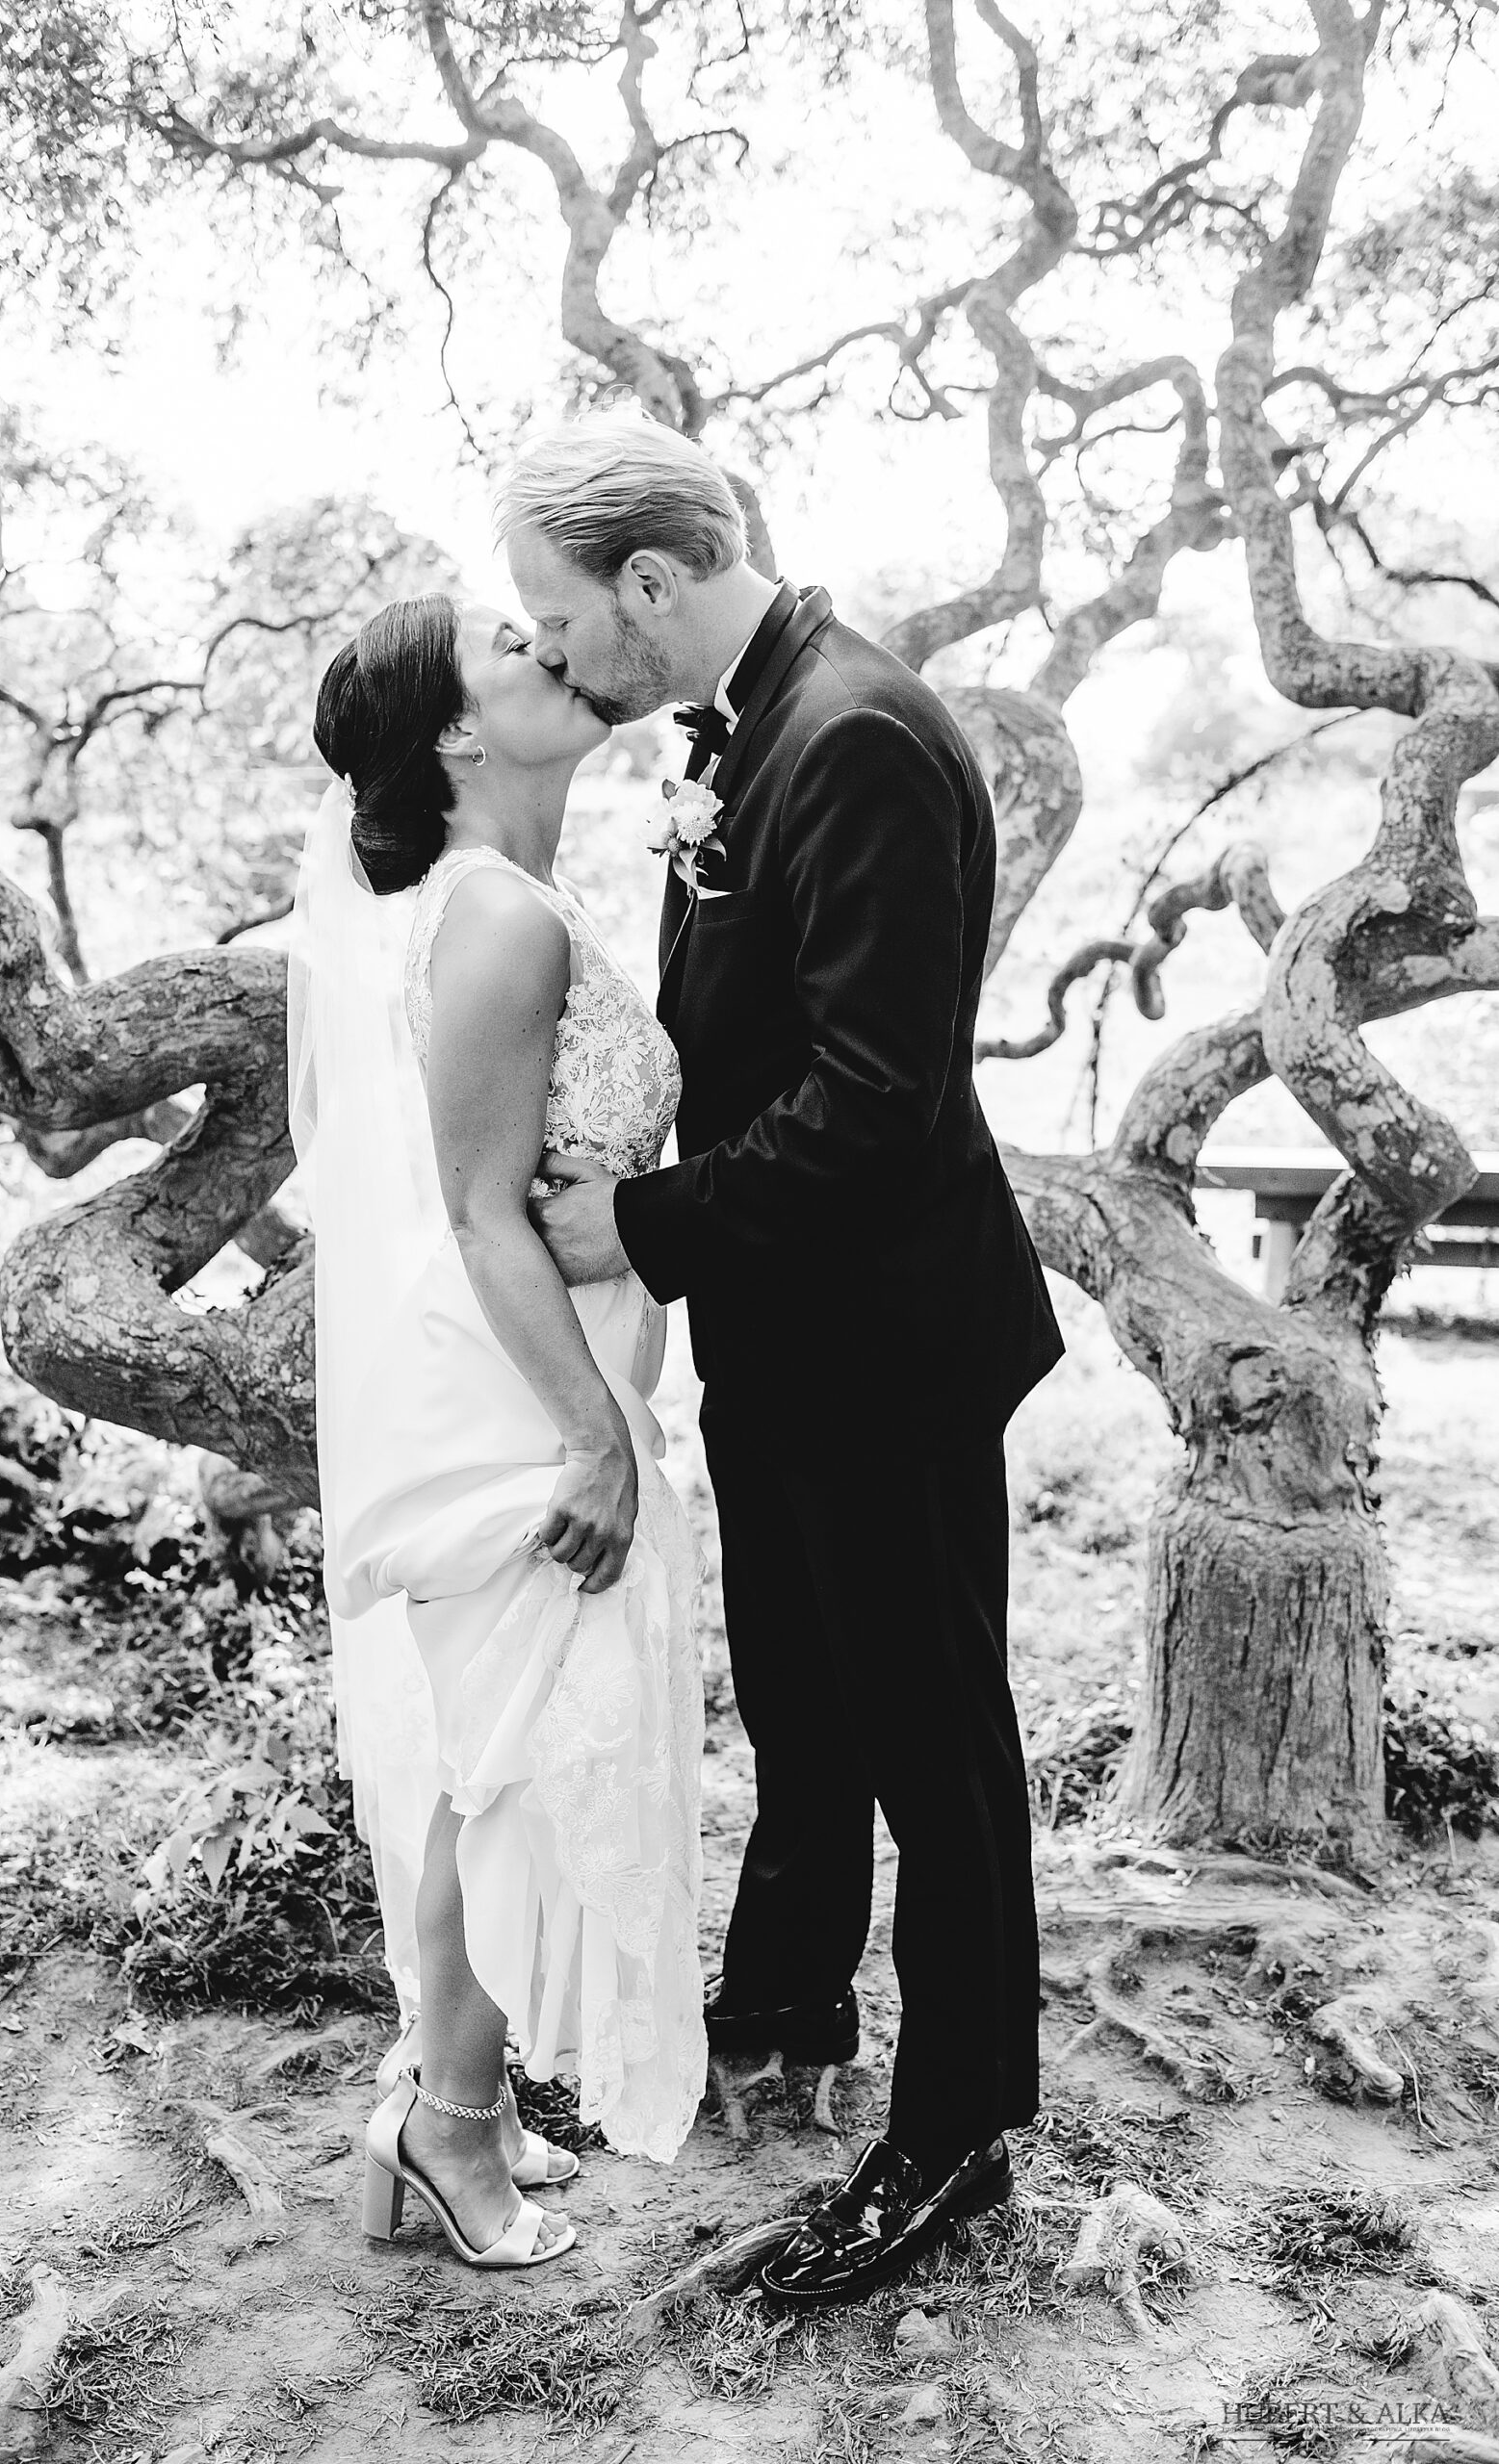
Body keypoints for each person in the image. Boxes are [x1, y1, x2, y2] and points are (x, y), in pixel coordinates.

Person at [501, 420, 1065, 2306]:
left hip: (887, 1342)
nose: (554, 650)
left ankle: (956, 2133)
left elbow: (872, 1099)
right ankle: (782, 2003)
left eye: (557, 613)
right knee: (808, 1706)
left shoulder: (858, 736)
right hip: (787, 1330)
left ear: (652, 580)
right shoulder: (748, 729)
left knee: (931, 1741)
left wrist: (640, 1226)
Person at [286, 595, 707, 2273]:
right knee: (507, 1762)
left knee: (508, 1748)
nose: (552, 650)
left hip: (552, 1358)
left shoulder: (524, 900)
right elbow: (474, 1212)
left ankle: (454, 2088)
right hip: (517, 1389)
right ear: (458, 732)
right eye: (510, 647)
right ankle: (447, 2125)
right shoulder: (494, 920)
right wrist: (595, 1440)